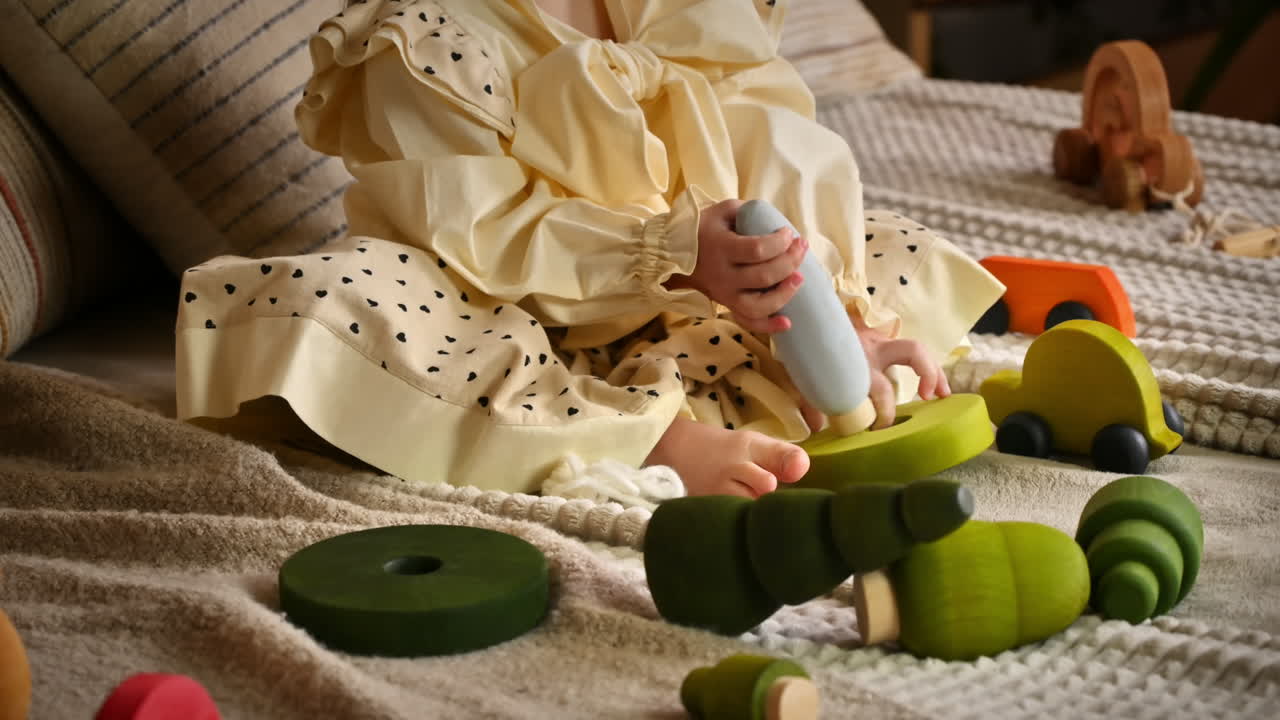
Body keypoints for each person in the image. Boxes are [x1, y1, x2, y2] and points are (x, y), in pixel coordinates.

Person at [174, 0, 1004, 498]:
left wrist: (826, 304)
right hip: (510, 304)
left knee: (885, 242)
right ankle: (639, 439)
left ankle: (785, 361)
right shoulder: (423, 42)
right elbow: (490, 228)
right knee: (339, 302)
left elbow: (768, 145)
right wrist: (662, 251)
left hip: (704, 286)